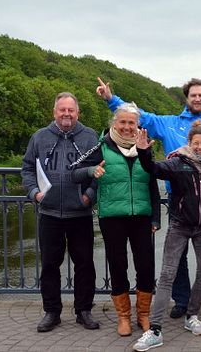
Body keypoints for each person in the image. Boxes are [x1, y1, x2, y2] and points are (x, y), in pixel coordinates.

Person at [96, 60, 201, 319]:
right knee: (177, 255)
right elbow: (141, 117)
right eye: (193, 95)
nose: (197, 98)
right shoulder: (168, 123)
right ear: (187, 97)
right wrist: (111, 99)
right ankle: (181, 301)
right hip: (178, 199)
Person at [132, 121, 201, 351]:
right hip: (179, 225)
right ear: (188, 143)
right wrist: (143, 150)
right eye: (196, 143)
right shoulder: (176, 163)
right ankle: (155, 329)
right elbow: (153, 169)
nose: (199, 147)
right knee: (167, 274)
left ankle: (192, 316)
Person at [71, 102, 161, 336]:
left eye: (131, 122)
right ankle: (123, 317)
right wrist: (92, 176)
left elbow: (152, 183)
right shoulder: (101, 147)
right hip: (112, 216)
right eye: (122, 122)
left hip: (141, 215)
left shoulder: (144, 147)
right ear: (114, 123)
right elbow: (77, 172)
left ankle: (143, 314)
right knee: (118, 266)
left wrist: (156, 217)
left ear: (137, 125)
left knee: (146, 266)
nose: (127, 127)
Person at [21, 92, 100, 333]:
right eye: (62, 110)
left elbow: (100, 171)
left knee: (85, 263)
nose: (67, 114)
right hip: (50, 212)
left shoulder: (90, 137)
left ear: (78, 113)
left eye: (71, 110)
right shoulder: (40, 137)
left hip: (80, 214)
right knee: (50, 265)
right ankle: (52, 312)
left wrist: (89, 196)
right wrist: (34, 193)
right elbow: (27, 169)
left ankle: (83, 310)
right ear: (54, 112)